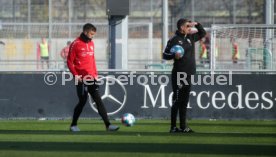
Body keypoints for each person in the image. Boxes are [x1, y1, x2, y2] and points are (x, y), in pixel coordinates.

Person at [67, 23, 119, 132]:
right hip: (81, 78)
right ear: (85, 32)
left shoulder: (91, 43)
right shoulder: (75, 44)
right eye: (91, 34)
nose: (92, 36)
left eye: (93, 34)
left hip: (91, 77)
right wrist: (76, 76)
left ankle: (108, 125)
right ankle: (73, 125)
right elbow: (69, 62)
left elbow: (92, 61)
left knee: (98, 100)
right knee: (83, 101)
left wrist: (95, 74)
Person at [163, 18, 206, 133]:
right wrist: (174, 56)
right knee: (177, 100)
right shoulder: (174, 39)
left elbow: (203, 33)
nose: (190, 28)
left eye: (190, 26)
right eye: (187, 26)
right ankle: (173, 127)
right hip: (179, 74)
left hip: (188, 74)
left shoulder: (190, 38)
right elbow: (165, 55)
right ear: (181, 27)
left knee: (184, 101)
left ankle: (183, 126)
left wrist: (197, 23)